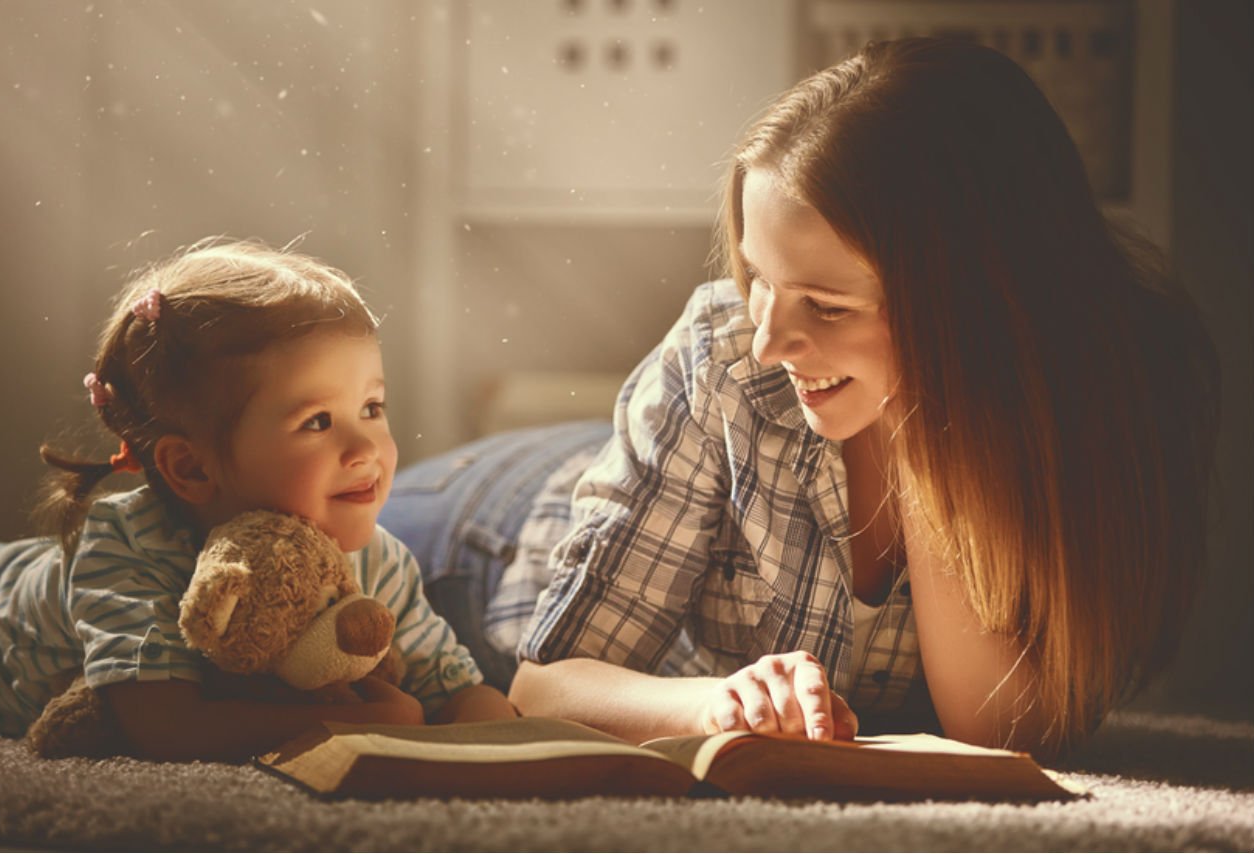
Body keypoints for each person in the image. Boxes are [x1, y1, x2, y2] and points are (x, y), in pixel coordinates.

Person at [382, 36, 1220, 758]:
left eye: (827, 305)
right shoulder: (726, 355)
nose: (772, 341)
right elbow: (545, 684)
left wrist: (929, 421)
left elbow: (1000, 731)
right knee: (311, 572)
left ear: (977, 307)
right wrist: (714, 707)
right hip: (479, 534)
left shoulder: (1111, 399)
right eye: (760, 280)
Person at [0, 239, 515, 761]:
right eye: (317, 421)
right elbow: (164, 725)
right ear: (192, 468)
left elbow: (453, 688)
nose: (365, 447)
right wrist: (362, 722)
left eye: (372, 407)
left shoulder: (379, 560)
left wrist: (511, 737)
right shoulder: (127, 543)